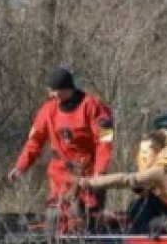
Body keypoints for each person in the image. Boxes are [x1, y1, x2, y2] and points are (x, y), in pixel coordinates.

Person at [8, 67, 115, 231]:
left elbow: (105, 141)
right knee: (55, 219)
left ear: (68, 89)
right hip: (60, 175)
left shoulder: (93, 106)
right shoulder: (48, 110)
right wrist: (21, 166)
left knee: (84, 220)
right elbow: (35, 141)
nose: (53, 96)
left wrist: (99, 172)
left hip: (87, 175)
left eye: (57, 92)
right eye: (51, 92)